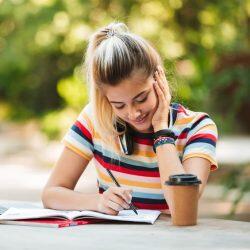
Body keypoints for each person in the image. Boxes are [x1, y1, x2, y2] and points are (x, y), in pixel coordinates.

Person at [42, 22, 218, 216]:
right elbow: (51, 194)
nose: (133, 113)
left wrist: (161, 131)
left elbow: (182, 207)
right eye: (119, 105)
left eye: (141, 99)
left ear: (158, 80)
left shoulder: (198, 127)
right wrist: (98, 201)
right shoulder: (95, 119)